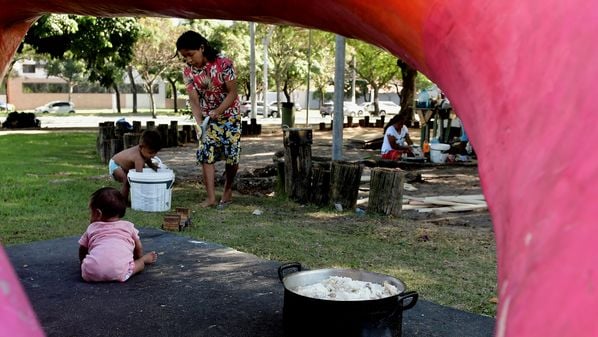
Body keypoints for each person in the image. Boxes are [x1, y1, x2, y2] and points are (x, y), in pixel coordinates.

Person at [176, 30, 242, 208]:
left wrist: (219, 110)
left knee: (232, 157)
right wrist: (199, 124)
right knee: (206, 154)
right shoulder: (189, 72)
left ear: (202, 48)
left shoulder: (224, 64)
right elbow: (194, 100)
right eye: (185, 57)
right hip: (208, 120)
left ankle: (227, 189)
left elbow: (233, 93)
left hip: (230, 116)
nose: (188, 60)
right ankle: (211, 198)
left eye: (190, 54)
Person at [78, 187, 157, 282]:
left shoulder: (92, 228)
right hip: (120, 271)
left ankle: (93, 268)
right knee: (139, 264)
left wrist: (83, 262)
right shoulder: (128, 226)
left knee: (88, 265)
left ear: (98, 213)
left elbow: (82, 249)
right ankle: (143, 260)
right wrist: (137, 258)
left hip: (90, 273)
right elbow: (138, 246)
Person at [109, 129, 162, 201]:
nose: (153, 155)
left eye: (155, 153)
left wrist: (152, 166)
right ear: (140, 147)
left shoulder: (144, 151)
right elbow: (139, 178)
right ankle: (123, 201)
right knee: (126, 181)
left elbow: (148, 160)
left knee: (129, 179)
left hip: (123, 165)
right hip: (115, 165)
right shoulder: (138, 159)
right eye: (150, 153)